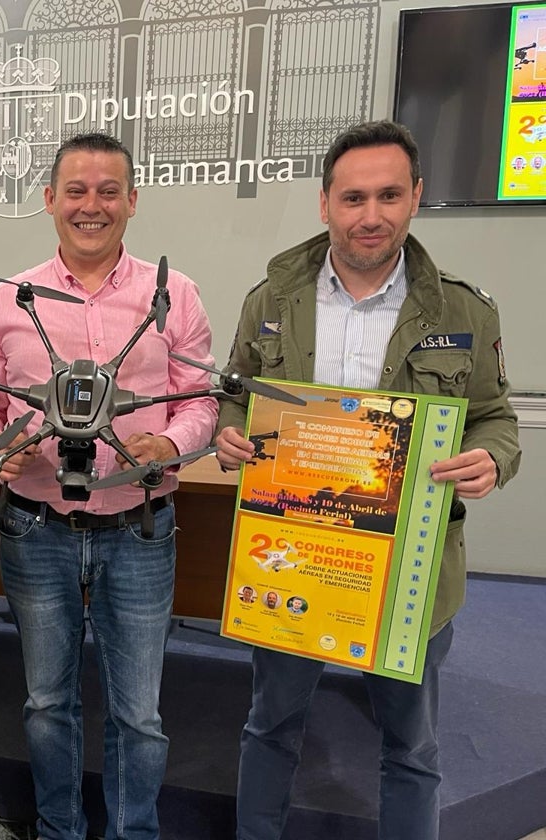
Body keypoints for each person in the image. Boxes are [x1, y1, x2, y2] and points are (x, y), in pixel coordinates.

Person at [215, 120, 521, 840]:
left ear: (415, 196)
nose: (371, 215)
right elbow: (236, 392)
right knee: (269, 727)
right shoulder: (271, 300)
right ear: (325, 203)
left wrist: (493, 458)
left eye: (389, 195)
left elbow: (496, 418)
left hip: (408, 570)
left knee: (411, 746)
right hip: (294, 557)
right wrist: (228, 428)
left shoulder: (464, 311)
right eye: (353, 198)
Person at [0, 132, 218, 840]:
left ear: (132, 201)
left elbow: (202, 398)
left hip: (139, 529)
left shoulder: (175, 295)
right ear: (48, 199)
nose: (91, 205)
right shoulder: (9, 300)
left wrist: (168, 441)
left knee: (140, 714)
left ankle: (134, 832)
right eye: (76, 190)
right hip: (33, 527)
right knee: (47, 703)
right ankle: (59, 830)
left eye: (109, 191)